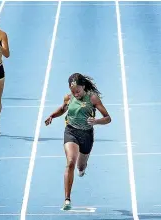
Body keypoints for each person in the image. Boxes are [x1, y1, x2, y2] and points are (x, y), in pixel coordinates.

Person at [44, 73, 111, 210]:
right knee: (70, 163)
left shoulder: (92, 97)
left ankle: (83, 168)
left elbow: (108, 118)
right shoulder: (68, 97)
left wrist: (96, 121)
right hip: (71, 132)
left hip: (86, 134)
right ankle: (67, 199)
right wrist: (52, 115)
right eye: (73, 91)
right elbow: (63, 109)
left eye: (78, 91)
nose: (75, 94)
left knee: (80, 166)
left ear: (84, 87)